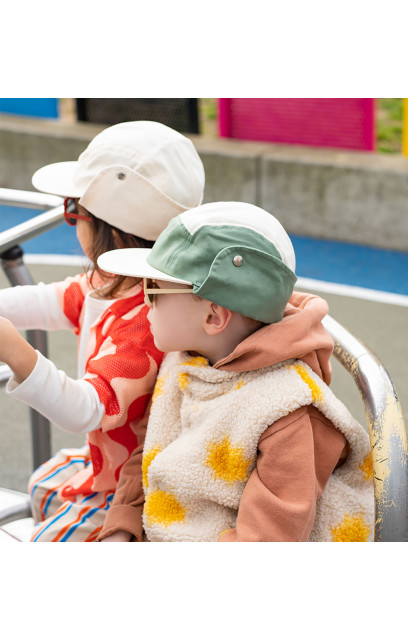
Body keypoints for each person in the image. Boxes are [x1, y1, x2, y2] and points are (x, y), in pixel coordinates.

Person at [97, 201, 375, 542]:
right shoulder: (188, 359)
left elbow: (266, 541)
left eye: (152, 290)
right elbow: (151, 449)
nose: (144, 303)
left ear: (213, 317)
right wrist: (122, 525)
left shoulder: (287, 411)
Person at [0, 120, 205, 541]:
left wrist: (13, 351)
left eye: (73, 210)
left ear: (114, 231)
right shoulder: (109, 283)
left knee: (48, 536)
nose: (69, 221)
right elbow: (47, 300)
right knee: (43, 483)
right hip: (106, 463)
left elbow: (87, 409)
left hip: (131, 488)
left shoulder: (148, 322)